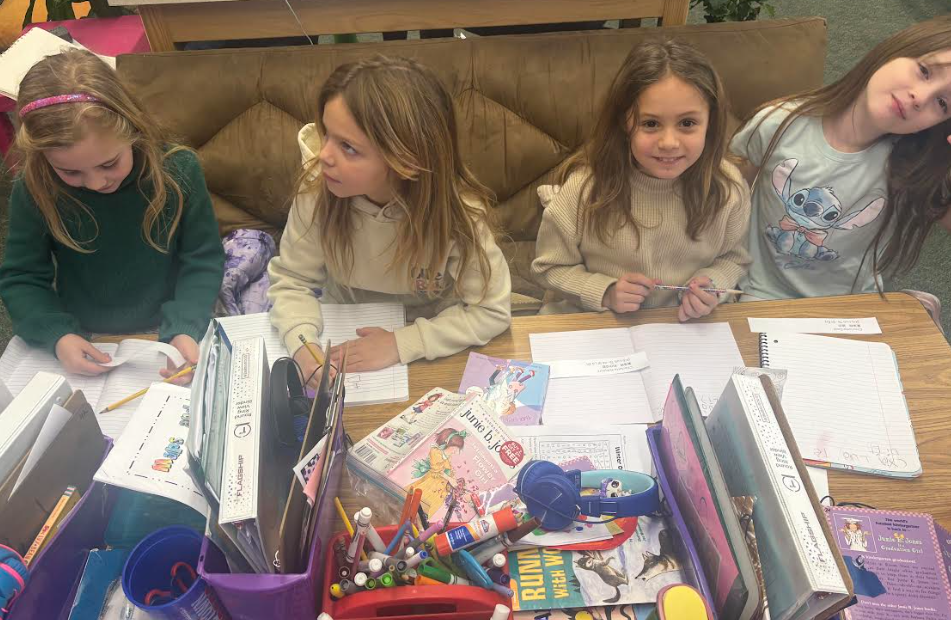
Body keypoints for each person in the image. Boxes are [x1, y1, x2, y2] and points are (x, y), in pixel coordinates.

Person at [267, 55, 511, 384]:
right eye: (326, 133)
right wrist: (302, 344)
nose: (323, 155)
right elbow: (291, 282)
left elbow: (491, 311)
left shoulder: (460, 214)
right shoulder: (315, 195)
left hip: (431, 343)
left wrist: (400, 343)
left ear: (407, 161)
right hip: (343, 334)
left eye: (348, 147)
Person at [0, 49, 224, 382]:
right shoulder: (35, 186)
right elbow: (22, 277)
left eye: (108, 164)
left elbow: (202, 259)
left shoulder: (178, 172)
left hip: (169, 330)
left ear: (132, 126)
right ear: (43, 157)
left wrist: (185, 327)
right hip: (85, 335)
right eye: (70, 171)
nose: (95, 183)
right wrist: (58, 335)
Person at [732, 16, 951, 308]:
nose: (919, 97)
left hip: (848, 309)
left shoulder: (913, 167)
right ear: (897, 49)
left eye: (943, 103)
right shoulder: (778, 121)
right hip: (755, 295)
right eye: (924, 71)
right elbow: (729, 193)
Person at [531, 39, 751, 322]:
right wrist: (605, 291)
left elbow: (735, 258)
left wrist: (712, 284)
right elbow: (549, 267)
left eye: (687, 123)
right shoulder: (584, 189)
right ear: (624, 122)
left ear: (711, 122)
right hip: (595, 323)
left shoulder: (728, 188)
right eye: (650, 124)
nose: (669, 142)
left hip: (682, 327)